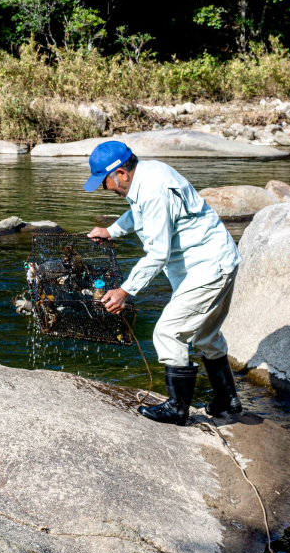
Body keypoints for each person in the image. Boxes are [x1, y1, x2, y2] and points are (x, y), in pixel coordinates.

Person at [84, 141, 243, 426]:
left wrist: (124, 291)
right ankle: (228, 402)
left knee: (168, 333)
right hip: (219, 260)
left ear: (121, 173)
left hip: (208, 268)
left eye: (104, 182)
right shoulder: (150, 174)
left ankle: (177, 410)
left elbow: (158, 253)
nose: (105, 189)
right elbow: (139, 214)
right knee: (205, 336)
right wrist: (112, 230)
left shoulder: (153, 189)